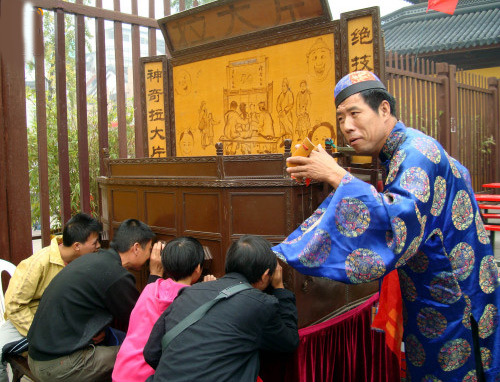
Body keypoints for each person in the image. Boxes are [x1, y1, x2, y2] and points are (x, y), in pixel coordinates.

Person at [274, 70, 500, 381]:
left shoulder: (415, 153)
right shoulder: (407, 148)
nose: (347, 126)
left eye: (355, 113)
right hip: (436, 291)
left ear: (383, 109)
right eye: (341, 118)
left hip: (452, 300)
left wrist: (337, 175)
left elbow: (395, 224)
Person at [144, 235, 299, 382]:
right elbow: (289, 341)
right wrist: (279, 288)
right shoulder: (261, 304)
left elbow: (151, 353)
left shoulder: (189, 292)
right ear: (266, 275)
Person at [27, 219, 163, 382]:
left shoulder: (95, 260)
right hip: (55, 366)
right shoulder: (115, 275)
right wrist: (155, 275)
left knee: (118, 338)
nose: (150, 257)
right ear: (135, 248)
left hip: (37, 356)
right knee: (141, 356)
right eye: (149, 250)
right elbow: (143, 320)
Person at [0, 212, 102, 382]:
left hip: (60, 325)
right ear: (77, 246)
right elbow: (14, 305)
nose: (99, 246)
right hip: (29, 323)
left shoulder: (87, 262)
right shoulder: (39, 263)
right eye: (95, 243)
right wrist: (39, 333)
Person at [112, 237, 215, 382]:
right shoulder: (193, 301)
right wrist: (208, 293)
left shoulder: (150, 288)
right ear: (198, 268)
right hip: (149, 376)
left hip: (122, 371)